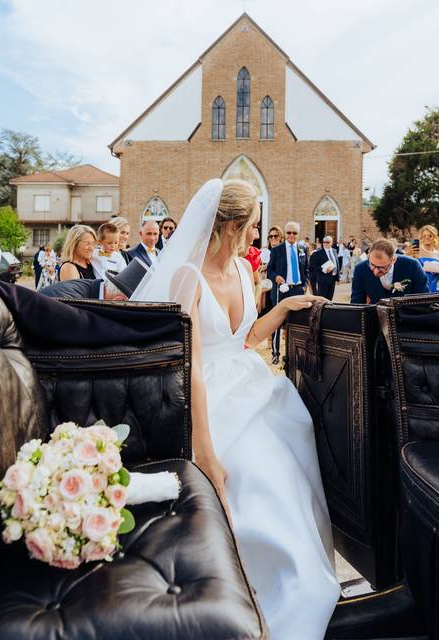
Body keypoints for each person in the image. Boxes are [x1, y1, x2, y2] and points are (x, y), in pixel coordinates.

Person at [131, 179, 340, 638]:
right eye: (252, 227)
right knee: (252, 478)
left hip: (253, 385)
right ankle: (253, 605)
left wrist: (284, 309)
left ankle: (300, 588)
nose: (256, 236)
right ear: (230, 226)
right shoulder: (187, 277)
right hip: (209, 399)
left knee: (292, 467)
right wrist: (206, 455)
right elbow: (193, 364)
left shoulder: (246, 272)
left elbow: (244, 339)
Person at [267, 221, 309, 364]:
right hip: (282, 290)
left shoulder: (303, 249)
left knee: (297, 322)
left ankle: (294, 353)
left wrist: (304, 285)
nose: (291, 235)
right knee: (277, 323)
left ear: (298, 234)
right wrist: (276, 277)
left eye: (294, 233)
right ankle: (275, 353)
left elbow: (306, 270)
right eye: (289, 233)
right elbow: (269, 272)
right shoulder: (277, 250)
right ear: (285, 233)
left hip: (297, 290)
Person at [350, 238, 429, 303]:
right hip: (375, 319)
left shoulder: (412, 266)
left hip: (408, 318)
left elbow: (423, 300)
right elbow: (357, 303)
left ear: (393, 260)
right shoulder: (360, 270)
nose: (376, 271)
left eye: (382, 267)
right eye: (372, 265)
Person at [416, 225, 439, 293]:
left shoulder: (438, 254)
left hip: (435, 287)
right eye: (424, 236)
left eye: (430, 236)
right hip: (421, 285)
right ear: (421, 237)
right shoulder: (417, 251)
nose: (427, 238)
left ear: (434, 237)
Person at [309, 235, 341, 300]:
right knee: (322, 299)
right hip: (323, 279)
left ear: (331, 243)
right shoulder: (318, 253)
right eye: (324, 242)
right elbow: (313, 266)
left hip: (333, 279)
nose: (325, 243)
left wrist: (338, 277)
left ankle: (328, 310)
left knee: (330, 298)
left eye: (327, 242)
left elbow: (337, 263)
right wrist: (324, 269)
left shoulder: (334, 251)